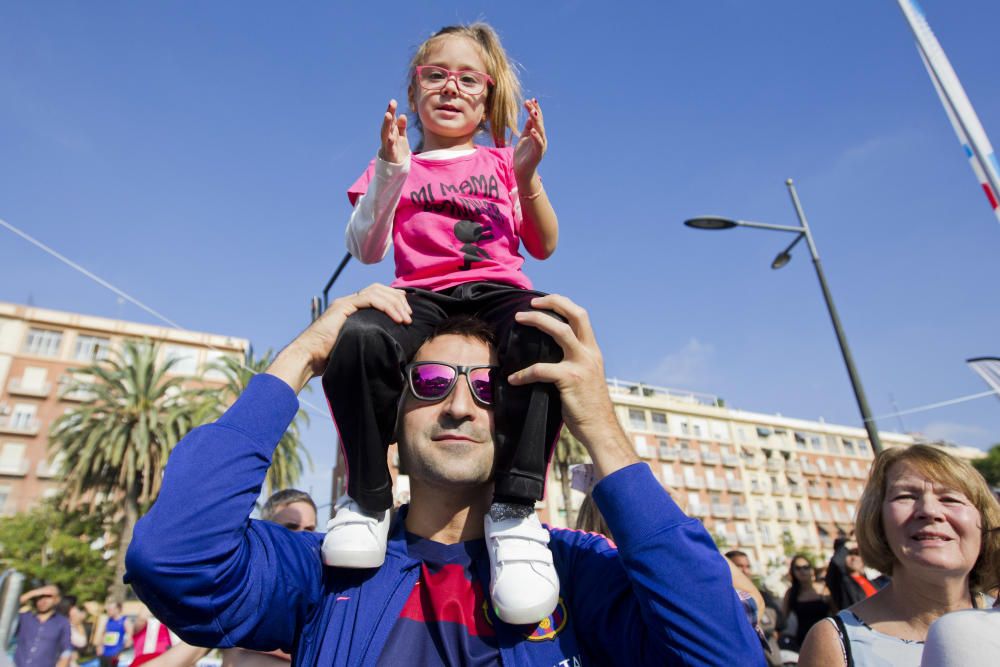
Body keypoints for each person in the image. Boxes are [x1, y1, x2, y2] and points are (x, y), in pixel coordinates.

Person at [125, 285, 764, 666]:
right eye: (430, 383)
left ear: (513, 424)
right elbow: (172, 560)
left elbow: (726, 655)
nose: (459, 405)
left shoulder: (579, 574)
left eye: (488, 389)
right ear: (394, 420)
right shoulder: (320, 574)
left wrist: (598, 424)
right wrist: (302, 358)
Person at [322, 21, 562, 625]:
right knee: (360, 335)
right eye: (436, 75)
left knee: (546, 331)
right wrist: (388, 169)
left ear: (485, 99)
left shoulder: (504, 162)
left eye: (467, 79)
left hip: (497, 291)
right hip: (422, 296)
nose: (450, 88)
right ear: (414, 89)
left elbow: (545, 244)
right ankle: (369, 497)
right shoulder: (396, 163)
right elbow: (366, 248)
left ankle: (515, 509)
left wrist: (527, 177)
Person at [799, 444, 1000, 667]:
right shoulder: (833, 642)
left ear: (984, 523)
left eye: (950, 499)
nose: (930, 511)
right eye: (906, 496)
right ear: (878, 522)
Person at [727, 550, 785, 667]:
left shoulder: (762, 596)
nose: (745, 570)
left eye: (748, 566)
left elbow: (780, 623)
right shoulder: (726, 598)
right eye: (739, 566)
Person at [782, 554, 832, 651]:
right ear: (793, 571)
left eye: (806, 567)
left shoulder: (823, 589)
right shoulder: (791, 593)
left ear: (811, 569)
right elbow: (783, 618)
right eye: (798, 568)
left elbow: (836, 612)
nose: (802, 571)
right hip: (804, 640)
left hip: (827, 636)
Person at [14, 585, 72, 667]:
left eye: (48, 597)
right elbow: (8, 607)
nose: (43, 601)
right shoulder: (25, 618)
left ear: (57, 600)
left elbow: (66, 650)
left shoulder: (62, 623)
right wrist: (33, 593)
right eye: (40, 597)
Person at [825, 535, 877, 612]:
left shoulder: (874, 581)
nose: (854, 558)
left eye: (857, 554)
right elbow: (836, 563)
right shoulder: (840, 581)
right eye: (849, 554)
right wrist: (847, 545)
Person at [94, 601, 131, 667]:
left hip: (116, 654)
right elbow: (102, 635)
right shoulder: (107, 621)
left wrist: (122, 652)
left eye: (110, 609)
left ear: (118, 609)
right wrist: (99, 646)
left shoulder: (125, 621)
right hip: (104, 653)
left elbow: (129, 638)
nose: (109, 611)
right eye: (108, 609)